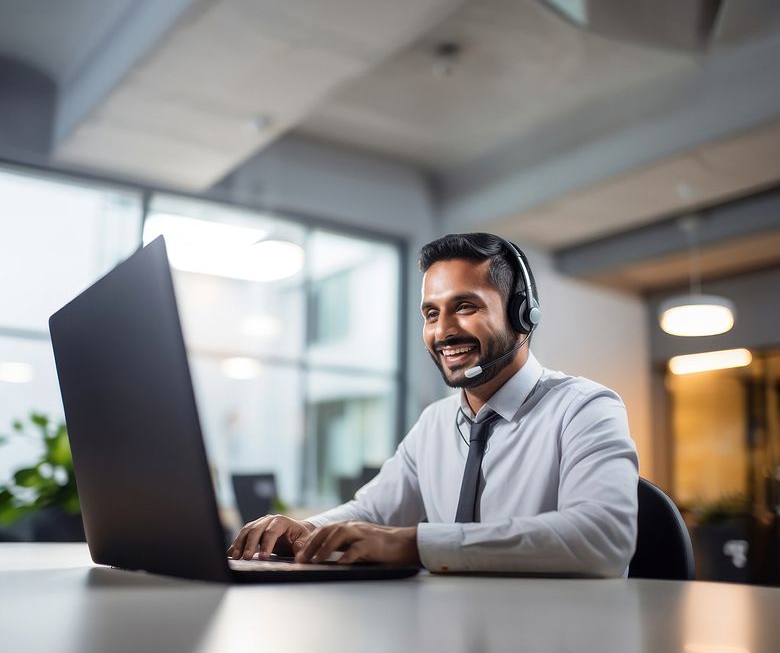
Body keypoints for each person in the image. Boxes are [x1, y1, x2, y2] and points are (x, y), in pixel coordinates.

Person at [228, 233, 639, 577]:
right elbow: (372, 511)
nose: (442, 331)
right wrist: (303, 529)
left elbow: (603, 537)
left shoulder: (585, 408)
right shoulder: (437, 422)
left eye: (465, 306)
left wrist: (416, 543)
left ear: (522, 314)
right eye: (430, 313)